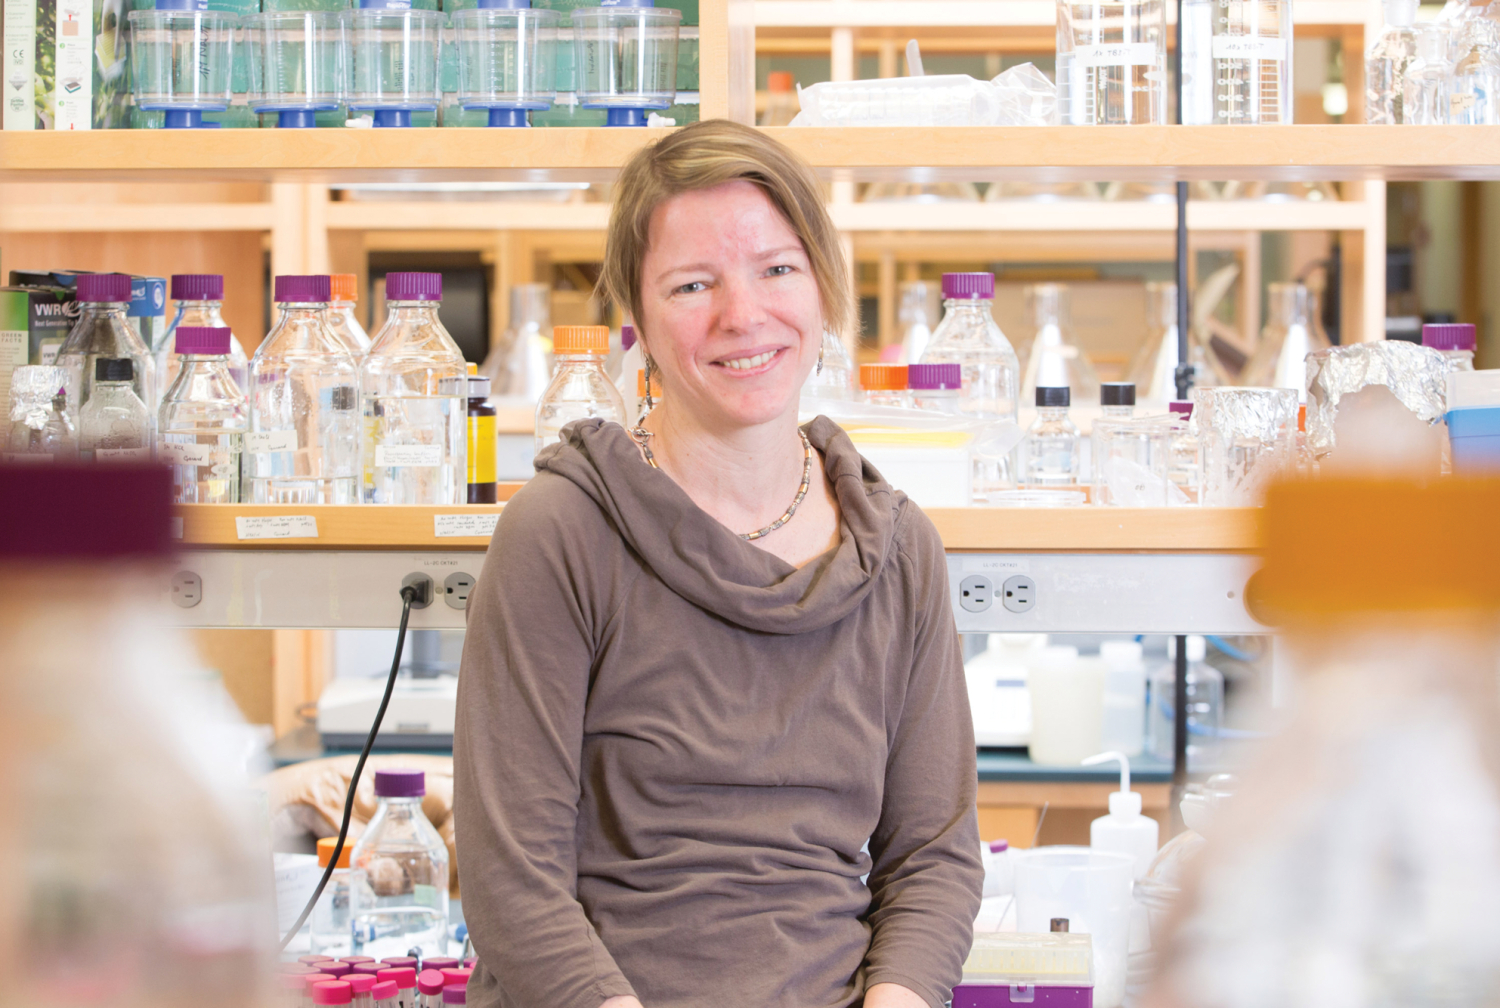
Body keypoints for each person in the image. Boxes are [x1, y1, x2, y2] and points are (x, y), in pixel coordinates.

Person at [454, 119, 982, 1008]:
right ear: (639, 321)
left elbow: (933, 859)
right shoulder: (562, 532)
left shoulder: (895, 549)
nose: (744, 316)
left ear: (822, 284)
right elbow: (513, 884)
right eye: (693, 284)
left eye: (777, 269)